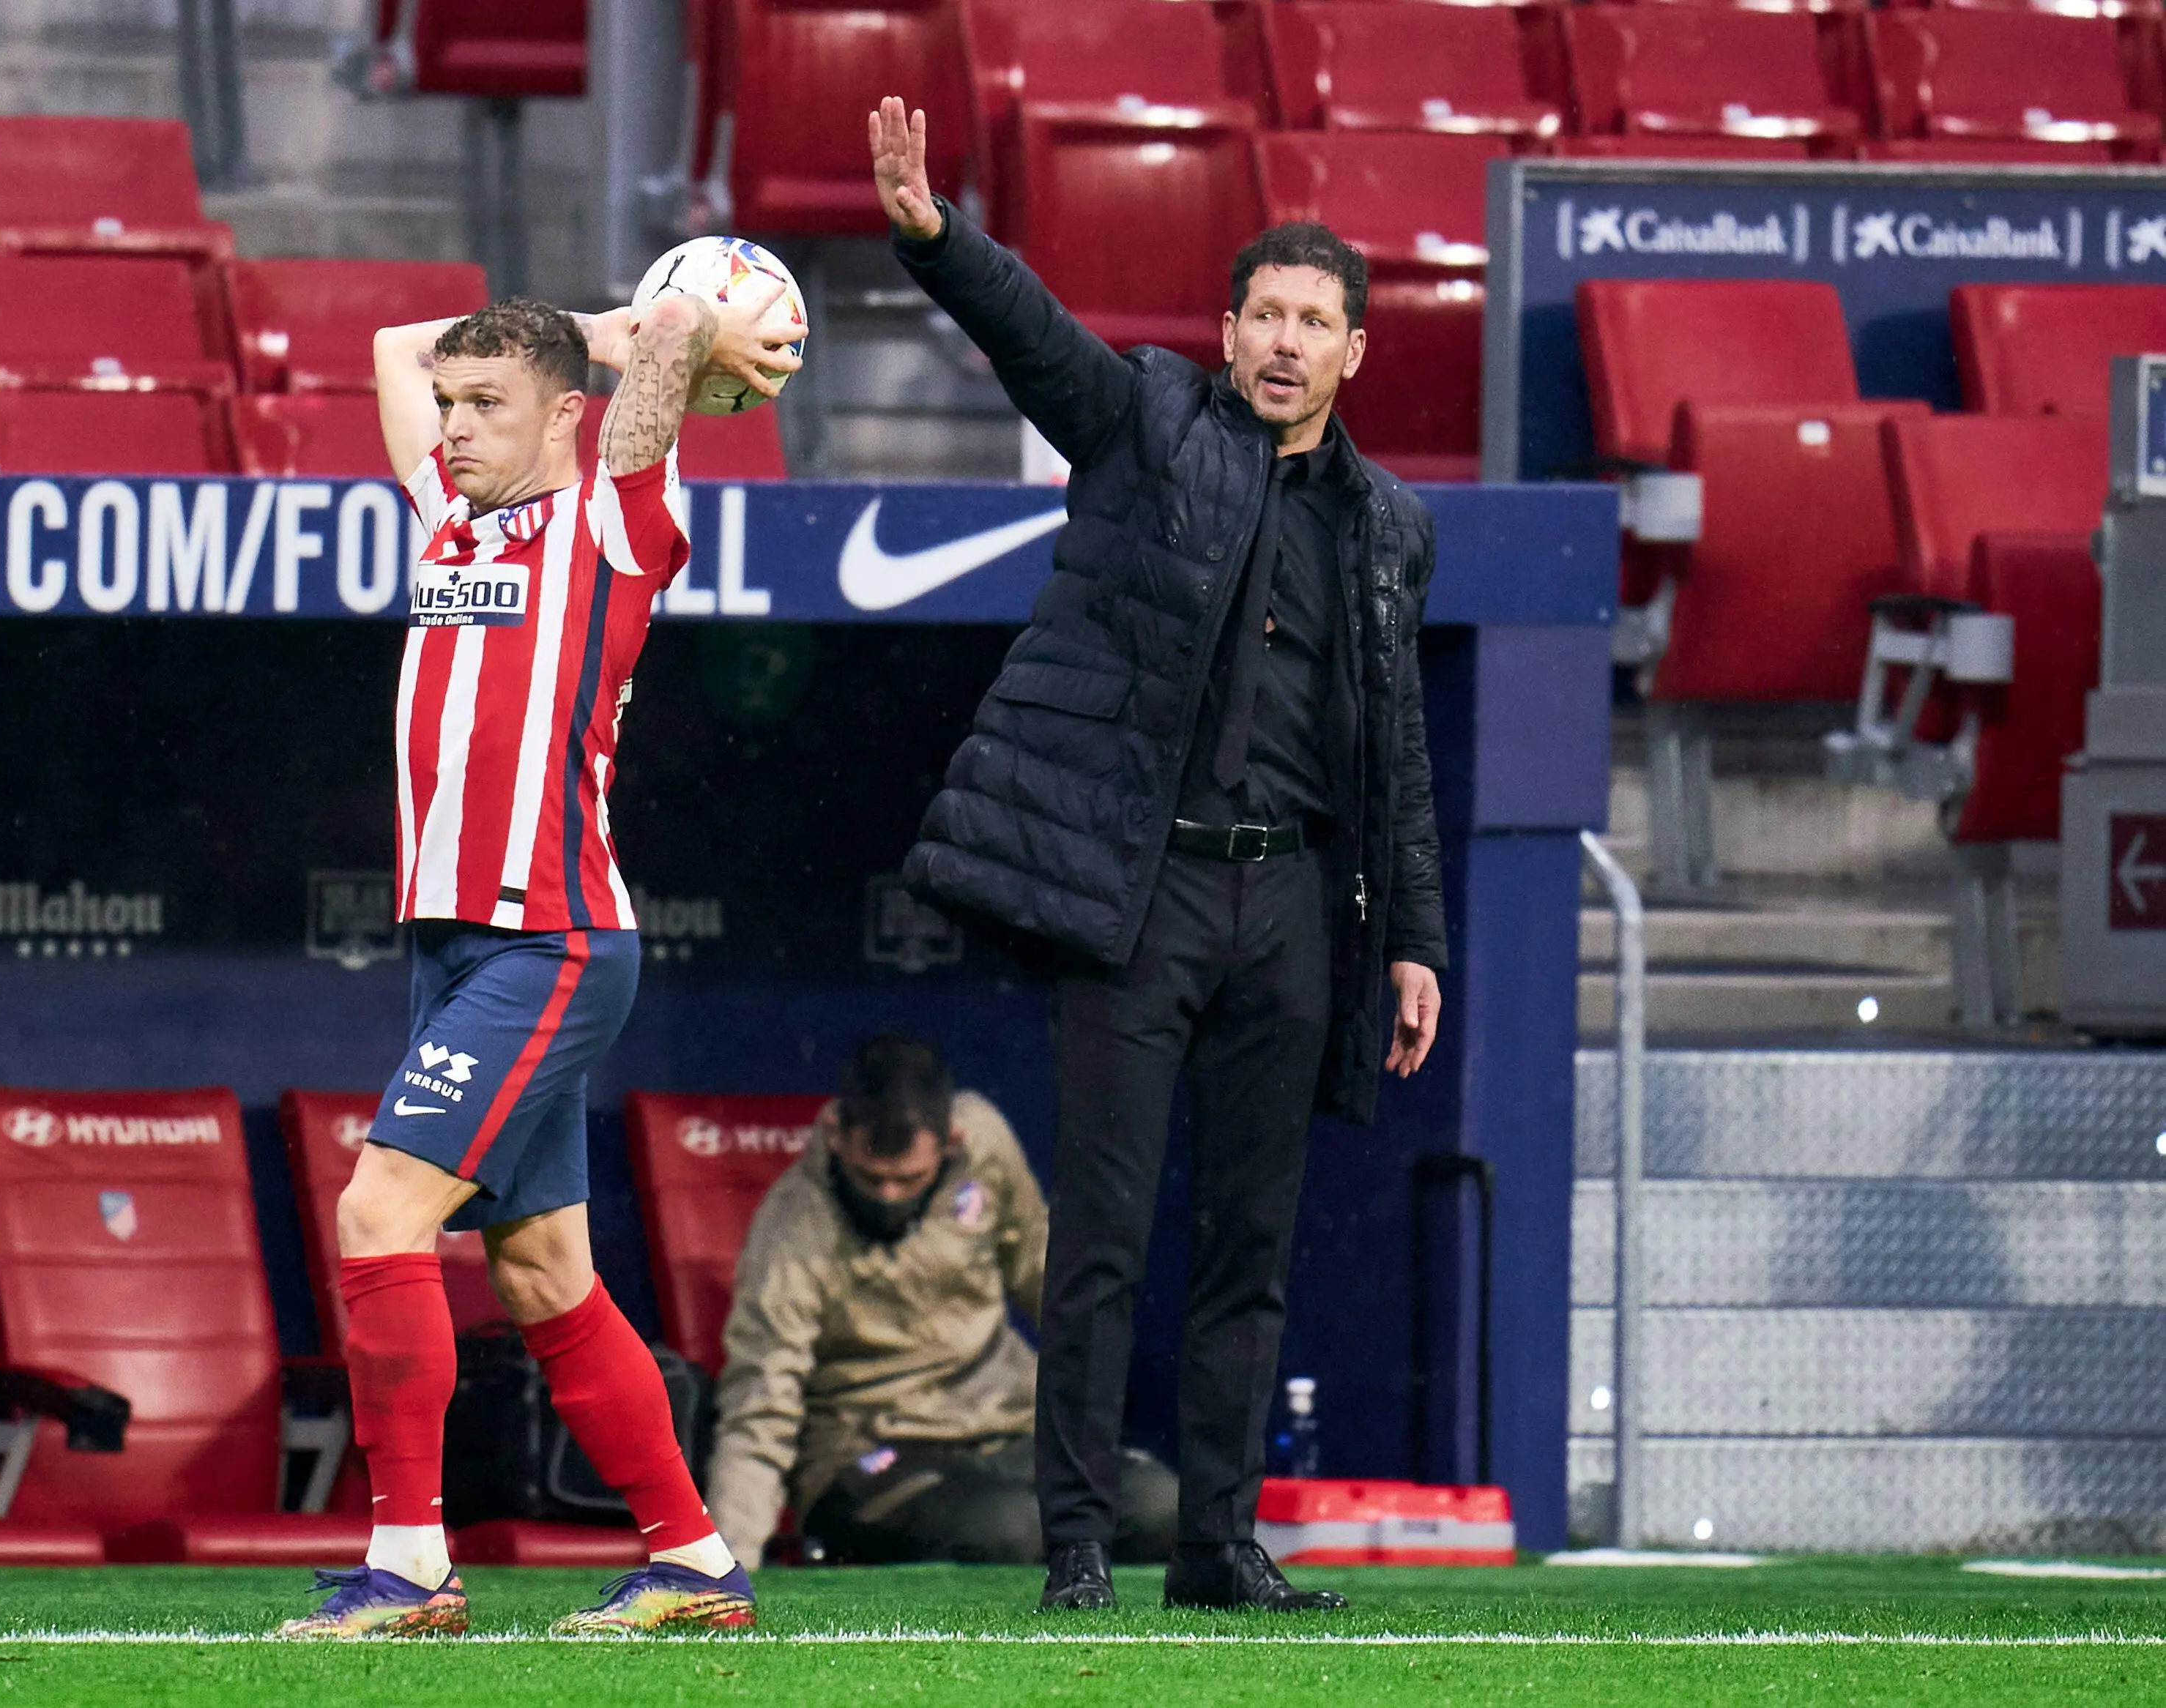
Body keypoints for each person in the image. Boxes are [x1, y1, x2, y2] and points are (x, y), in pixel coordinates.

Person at [866, 98, 1451, 1616]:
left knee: (1249, 1243)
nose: (1283, 338)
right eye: (1263, 312)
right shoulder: (1149, 424)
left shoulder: (1391, 523)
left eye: (1315, 320)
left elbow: (1396, 750)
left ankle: (1215, 1543)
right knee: (1104, 1238)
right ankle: (1077, 1540)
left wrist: (1414, 942)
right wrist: (934, 235)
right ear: (1226, 327)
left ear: (1352, 352)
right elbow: (1037, 335)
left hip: (1295, 905)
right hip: (1141, 891)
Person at [280, 281, 803, 1640]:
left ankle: (406, 1567)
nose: (449, 427)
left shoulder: (613, 521)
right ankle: (692, 1560)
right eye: (450, 410)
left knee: (379, 1214)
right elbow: (394, 344)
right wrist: (586, 329)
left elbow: (677, 347)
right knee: (543, 1274)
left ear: (568, 416)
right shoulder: (450, 520)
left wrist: (648, 333)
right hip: (460, 950)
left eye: (485, 406)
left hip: (549, 934)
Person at [706, 1036, 1175, 1570]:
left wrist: (1086, 1421)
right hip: (872, 1453)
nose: (888, 1196)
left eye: (908, 1179)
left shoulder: (983, 1143)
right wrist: (727, 1570)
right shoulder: (791, 1228)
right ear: (836, 1136)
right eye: (870, 1177)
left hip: (1009, 1428)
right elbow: (760, 1404)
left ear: (950, 1142)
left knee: (1160, 1506)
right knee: (1013, 1529)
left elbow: (1053, 1285)